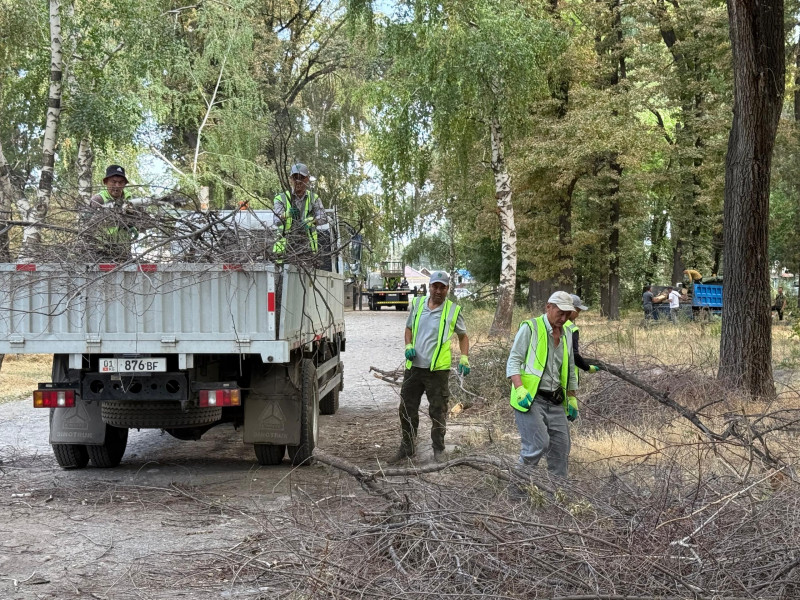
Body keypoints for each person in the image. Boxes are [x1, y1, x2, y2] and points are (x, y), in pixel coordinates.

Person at [393, 271, 470, 464]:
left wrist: (464, 357)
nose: (438, 291)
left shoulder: (453, 310)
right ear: (429, 287)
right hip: (414, 368)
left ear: (447, 289)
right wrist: (408, 346)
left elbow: (463, 336)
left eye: (442, 287)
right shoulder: (418, 304)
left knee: (438, 410)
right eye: (435, 286)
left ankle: (438, 449)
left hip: (437, 371)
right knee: (406, 408)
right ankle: (407, 447)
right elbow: (409, 328)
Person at [506, 291, 579, 478]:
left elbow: (570, 368)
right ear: (548, 307)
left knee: (561, 449)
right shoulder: (530, 328)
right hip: (531, 398)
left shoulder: (567, 333)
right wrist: (519, 389)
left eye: (567, 314)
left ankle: (557, 492)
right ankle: (518, 489)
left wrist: (572, 398)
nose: (563, 319)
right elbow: (513, 361)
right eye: (560, 313)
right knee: (537, 445)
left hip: (556, 400)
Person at [271, 163, 328, 263]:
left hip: (307, 251)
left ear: (307, 179)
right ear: (290, 179)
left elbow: (323, 217)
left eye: (301, 177)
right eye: (295, 178)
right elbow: (276, 221)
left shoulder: (314, 198)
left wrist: (311, 221)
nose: (298, 181)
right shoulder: (281, 198)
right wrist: (286, 215)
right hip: (284, 251)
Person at [89, 165, 139, 260]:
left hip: (124, 250)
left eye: (120, 182)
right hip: (102, 250)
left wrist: (135, 227)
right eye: (113, 182)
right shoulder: (98, 199)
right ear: (105, 182)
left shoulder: (131, 199)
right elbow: (90, 224)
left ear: (125, 184)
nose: (117, 186)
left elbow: (141, 220)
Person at [565, 294, 600, 378]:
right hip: (567, 375)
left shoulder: (552, 324)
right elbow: (574, 354)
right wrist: (587, 368)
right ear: (570, 309)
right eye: (577, 311)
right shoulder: (571, 328)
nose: (578, 315)